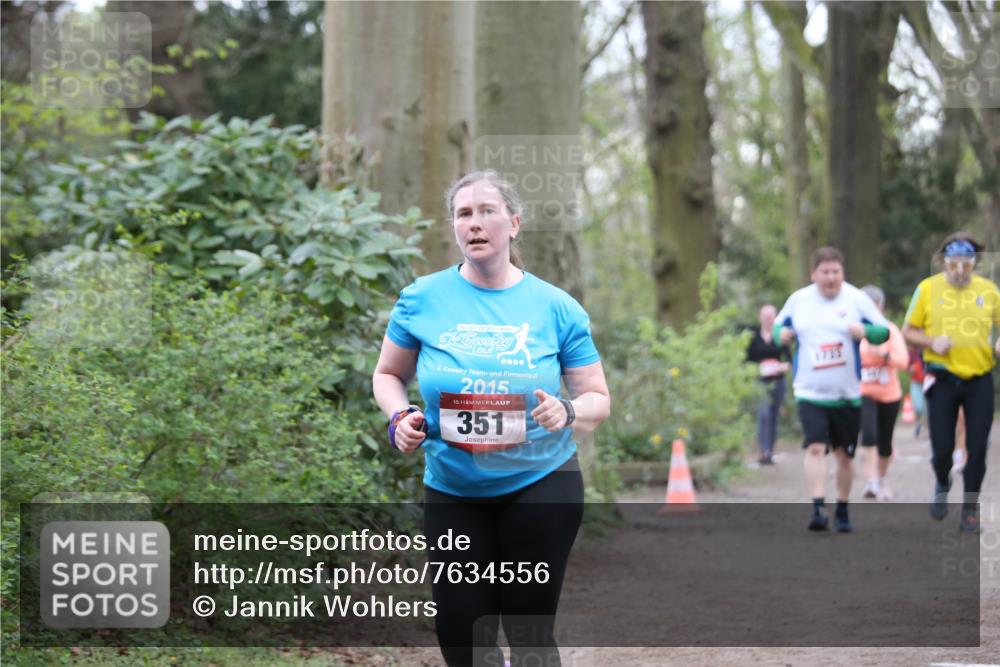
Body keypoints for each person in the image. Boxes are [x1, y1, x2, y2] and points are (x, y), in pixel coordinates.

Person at [372, 170, 611, 667]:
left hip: (542, 484)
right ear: (454, 228)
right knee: (462, 637)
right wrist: (400, 417)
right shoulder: (422, 298)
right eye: (464, 214)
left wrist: (567, 410)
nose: (475, 224)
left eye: (487, 212)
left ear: (514, 224)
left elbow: (597, 399)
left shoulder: (556, 307)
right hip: (454, 490)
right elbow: (387, 375)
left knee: (528, 633)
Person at [774, 246, 890, 533]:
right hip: (810, 391)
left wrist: (867, 333)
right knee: (815, 447)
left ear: (843, 273)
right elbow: (777, 329)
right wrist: (783, 335)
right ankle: (817, 507)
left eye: (835, 272)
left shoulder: (856, 298)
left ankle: (842, 508)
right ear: (813, 274)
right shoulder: (799, 300)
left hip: (847, 394)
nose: (831, 278)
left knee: (844, 457)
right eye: (824, 272)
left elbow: (884, 330)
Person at [902, 232, 1000, 533]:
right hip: (942, 378)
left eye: (966, 265)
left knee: (978, 446)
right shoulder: (928, 289)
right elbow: (907, 331)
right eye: (953, 264)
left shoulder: (989, 291)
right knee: (942, 448)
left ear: (975, 263)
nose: (959, 271)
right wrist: (932, 340)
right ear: (944, 262)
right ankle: (943, 480)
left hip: (979, 379)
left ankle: (970, 508)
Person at [857, 285, 909, 502]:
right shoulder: (855, 330)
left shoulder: (890, 330)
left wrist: (884, 354)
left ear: (880, 307)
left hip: (889, 394)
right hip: (864, 391)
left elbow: (903, 361)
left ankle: (881, 479)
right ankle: (870, 482)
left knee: (885, 443)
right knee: (868, 435)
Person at [745, 304, 791, 464]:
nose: (768, 319)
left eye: (771, 316)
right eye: (765, 316)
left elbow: (789, 359)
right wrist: (756, 368)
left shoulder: (780, 335)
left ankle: (770, 451)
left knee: (773, 416)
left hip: (778, 381)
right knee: (763, 414)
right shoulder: (753, 336)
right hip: (760, 381)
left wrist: (783, 366)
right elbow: (746, 360)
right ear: (760, 317)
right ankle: (763, 450)